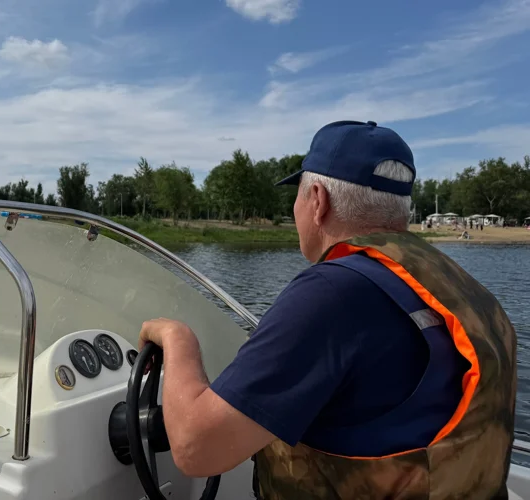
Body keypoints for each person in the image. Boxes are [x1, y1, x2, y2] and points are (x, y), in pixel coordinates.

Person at [138, 120, 517, 499]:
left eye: (298, 196)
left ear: (318, 200)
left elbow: (197, 449)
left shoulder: (333, 292)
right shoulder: (458, 285)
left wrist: (177, 338)